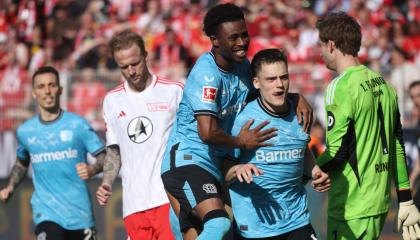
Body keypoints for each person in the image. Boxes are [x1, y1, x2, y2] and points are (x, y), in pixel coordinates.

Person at [160, 3, 313, 240]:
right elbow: (207, 133)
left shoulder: (242, 66)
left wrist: (295, 97)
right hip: (188, 160)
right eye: (233, 37)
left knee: (215, 232)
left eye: (244, 35)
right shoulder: (206, 75)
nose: (242, 43)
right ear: (215, 40)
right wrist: (241, 142)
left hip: (215, 166)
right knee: (218, 224)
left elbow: (263, 88)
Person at [315, 12, 420, 240]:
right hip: (379, 203)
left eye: (321, 45)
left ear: (331, 45)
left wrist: (308, 169)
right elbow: (397, 146)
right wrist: (405, 198)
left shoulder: (339, 87)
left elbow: (337, 151)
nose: (320, 52)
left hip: (350, 205)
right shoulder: (385, 85)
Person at [224, 48, 330, 240]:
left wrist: (315, 171)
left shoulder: (302, 113)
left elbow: (302, 150)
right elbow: (220, 170)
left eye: (284, 77)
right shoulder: (242, 120)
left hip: (297, 220)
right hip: (255, 228)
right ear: (256, 83)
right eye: (271, 79)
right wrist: (236, 169)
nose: (279, 85)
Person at [0, 66, 106, 240]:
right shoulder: (26, 131)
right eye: (41, 87)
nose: (47, 91)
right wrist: (11, 187)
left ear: (60, 89)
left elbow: (105, 157)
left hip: (80, 215)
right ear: (34, 93)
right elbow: (21, 162)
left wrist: (92, 169)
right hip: (46, 214)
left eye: (51, 85)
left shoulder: (77, 124)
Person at [95, 31, 183, 240]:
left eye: (135, 63)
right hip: (133, 206)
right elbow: (114, 151)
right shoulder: (112, 101)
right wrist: (107, 181)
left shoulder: (174, 92)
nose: (131, 71)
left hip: (168, 199)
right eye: (124, 67)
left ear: (145, 56)